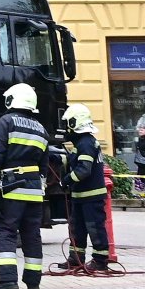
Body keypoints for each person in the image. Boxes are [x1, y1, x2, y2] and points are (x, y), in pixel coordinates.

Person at [0, 83, 47, 289]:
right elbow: (44, 166)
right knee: (32, 234)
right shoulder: (41, 129)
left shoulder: (6, 122)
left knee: (5, 231)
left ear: (12, 101)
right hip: (35, 190)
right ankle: (33, 280)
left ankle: (8, 280)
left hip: (12, 189)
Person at [59, 104, 111, 272]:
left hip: (91, 197)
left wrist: (66, 180)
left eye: (67, 124)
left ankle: (100, 260)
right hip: (80, 196)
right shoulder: (81, 143)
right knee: (77, 229)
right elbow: (73, 161)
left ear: (74, 124)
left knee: (95, 228)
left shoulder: (86, 143)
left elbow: (83, 169)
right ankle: (76, 259)